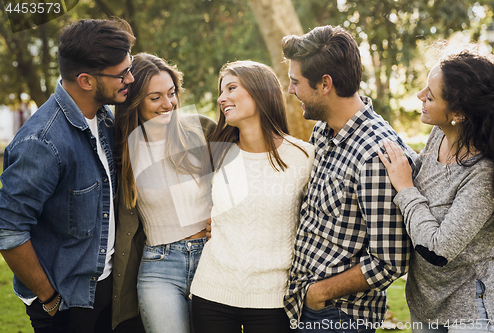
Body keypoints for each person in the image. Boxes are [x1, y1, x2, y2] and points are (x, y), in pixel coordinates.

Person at [0, 19, 135, 333]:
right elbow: (7, 229)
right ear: (86, 81)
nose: (130, 79)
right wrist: (48, 298)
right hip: (65, 303)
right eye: (121, 74)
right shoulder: (42, 142)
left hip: (105, 290)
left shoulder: (105, 120)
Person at [281, 25, 413, 332]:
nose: (290, 90)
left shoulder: (373, 155)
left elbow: (389, 260)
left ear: (325, 83)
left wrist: (320, 293)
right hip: (304, 306)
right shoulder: (323, 131)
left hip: (339, 317)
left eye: (295, 82)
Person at [378, 47, 494, 332]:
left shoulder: (482, 173)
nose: (420, 96)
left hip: (471, 313)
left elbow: (437, 250)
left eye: (430, 96)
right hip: (425, 307)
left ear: (458, 112)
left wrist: (405, 188)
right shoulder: (438, 136)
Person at [190, 60, 314, 333]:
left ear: (260, 91)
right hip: (212, 292)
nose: (222, 98)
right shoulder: (216, 153)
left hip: (274, 298)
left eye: (231, 88)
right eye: (221, 91)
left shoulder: (304, 157)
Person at [113, 52, 216, 333]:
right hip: (160, 265)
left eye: (171, 93)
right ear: (135, 100)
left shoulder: (202, 130)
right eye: (155, 97)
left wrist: (221, 217)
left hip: (212, 259)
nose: (168, 104)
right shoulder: (121, 148)